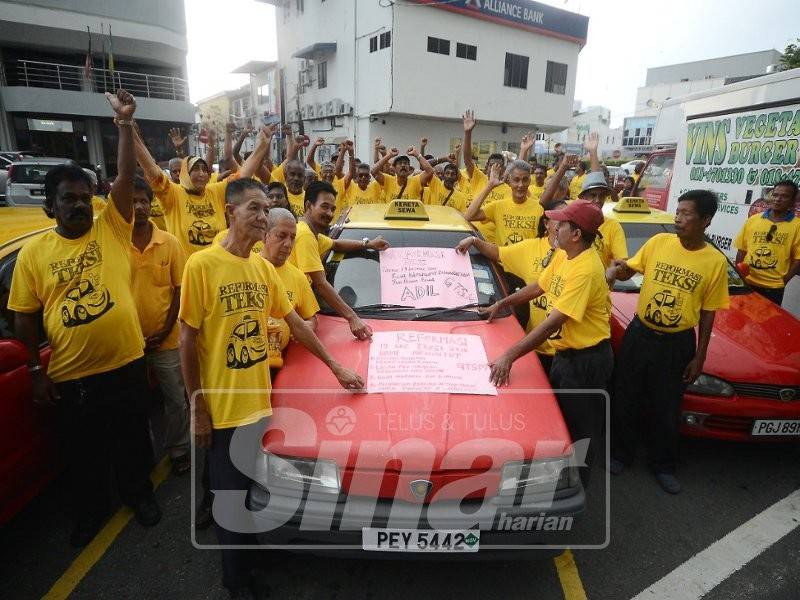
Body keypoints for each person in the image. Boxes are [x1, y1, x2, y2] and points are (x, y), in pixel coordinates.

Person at [179, 177, 363, 596]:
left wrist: (336, 367)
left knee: (248, 494)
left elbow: (296, 322)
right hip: (222, 411)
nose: (262, 217)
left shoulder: (261, 268)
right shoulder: (201, 265)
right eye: (254, 209)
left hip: (259, 406)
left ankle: (248, 563)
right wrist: (197, 406)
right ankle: (237, 584)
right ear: (230, 212)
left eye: (266, 209)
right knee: (228, 501)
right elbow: (187, 339)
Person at [8, 89, 161, 547]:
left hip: (127, 363)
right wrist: (36, 371)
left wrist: (125, 124)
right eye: (68, 199)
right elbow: (23, 318)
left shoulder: (111, 226)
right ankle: (91, 513)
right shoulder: (34, 254)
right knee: (84, 453)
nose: (79, 204)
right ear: (50, 205)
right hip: (74, 376)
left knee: (135, 439)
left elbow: (127, 174)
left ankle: (141, 496)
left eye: (84, 197)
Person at [607, 189, 730, 494]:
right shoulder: (659, 243)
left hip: (677, 343)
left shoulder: (714, 261)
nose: (679, 218)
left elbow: (709, 311)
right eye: (678, 211)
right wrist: (614, 269)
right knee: (627, 395)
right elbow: (629, 267)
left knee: (667, 405)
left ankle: (663, 465)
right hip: (641, 333)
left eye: (687, 213)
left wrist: (699, 355)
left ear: (706, 220)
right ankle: (621, 453)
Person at [483, 200, 612, 487]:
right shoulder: (563, 255)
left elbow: (553, 321)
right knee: (558, 421)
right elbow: (539, 286)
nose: (554, 227)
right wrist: (503, 303)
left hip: (586, 360)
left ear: (576, 233)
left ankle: (575, 487)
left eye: (561, 223)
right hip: (566, 355)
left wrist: (509, 356)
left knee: (581, 429)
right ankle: (552, 476)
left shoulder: (586, 270)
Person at [133, 122, 277, 258]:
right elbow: (151, 170)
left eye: (204, 169)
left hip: (218, 267)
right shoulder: (172, 194)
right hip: (185, 272)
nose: (201, 174)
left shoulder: (216, 192)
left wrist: (262, 146)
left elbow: (243, 174)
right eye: (195, 169)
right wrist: (129, 130)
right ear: (185, 173)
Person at [456, 200, 566, 372]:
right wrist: (474, 241)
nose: (562, 225)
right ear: (546, 223)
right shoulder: (531, 247)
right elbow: (499, 253)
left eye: (567, 220)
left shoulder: (574, 254)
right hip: (536, 348)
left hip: (568, 351)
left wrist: (509, 356)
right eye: (559, 220)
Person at [130, 175, 190, 475]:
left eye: (143, 201)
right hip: (127, 345)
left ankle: (178, 449)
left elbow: (180, 290)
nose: (138, 207)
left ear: (151, 205)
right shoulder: (113, 242)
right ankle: (142, 457)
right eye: (132, 202)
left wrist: (165, 330)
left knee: (176, 400)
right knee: (135, 405)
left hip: (166, 340)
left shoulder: (169, 242)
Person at [290, 181, 388, 340]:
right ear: (309, 205)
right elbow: (321, 284)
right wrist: (352, 317)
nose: (329, 213)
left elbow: (335, 244)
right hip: (294, 312)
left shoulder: (311, 234)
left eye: (333, 209)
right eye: (324, 206)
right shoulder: (305, 236)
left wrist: (368, 244)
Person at [260, 208, 319, 369]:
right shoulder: (247, 268)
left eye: (292, 238)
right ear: (265, 235)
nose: (288, 244)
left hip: (281, 365)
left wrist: (309, 326)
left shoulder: (299, 278)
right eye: (281, 236)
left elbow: (312, 317)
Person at [734, 179, 800, 305]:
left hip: (773, 288)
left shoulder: (797, 226)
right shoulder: (753, 220)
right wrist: (740, 275)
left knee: (766, 322)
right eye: (775, 195)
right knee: (744, 321)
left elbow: (798, 259)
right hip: (748, 282)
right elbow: (742, 249)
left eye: (784, 196)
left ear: (792, 201)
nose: (777, 199)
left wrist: (784, 280)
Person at [464, 160, 543, 246]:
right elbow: (468, 216)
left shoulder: (538, 208)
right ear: (509, 181)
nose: (520, 185)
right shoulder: (498, 206)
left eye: (525, 180)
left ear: (530, 181)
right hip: (501, 258)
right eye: (516, 180)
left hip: (528, 259)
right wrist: (490, 185)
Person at [583, 133, 628, 266]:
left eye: (601, 196)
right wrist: (593, 153)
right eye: (592, 195)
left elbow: (622, 264)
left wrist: (615, 271)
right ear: (583, 197)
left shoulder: (613, 227)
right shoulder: (572, 222)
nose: (597, 200)